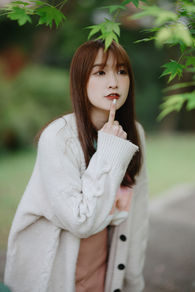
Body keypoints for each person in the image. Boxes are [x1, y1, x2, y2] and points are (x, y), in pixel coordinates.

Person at [4, 40, 149, 292]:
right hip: (58, 268)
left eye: (122, 71)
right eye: (100, 72)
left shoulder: (134, 133)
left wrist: (134, 282)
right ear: (80, 80)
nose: (113, 81)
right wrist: (109, 150)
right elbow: (80, 221)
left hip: (107, 267)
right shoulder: (59, 136)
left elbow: (138, 215)